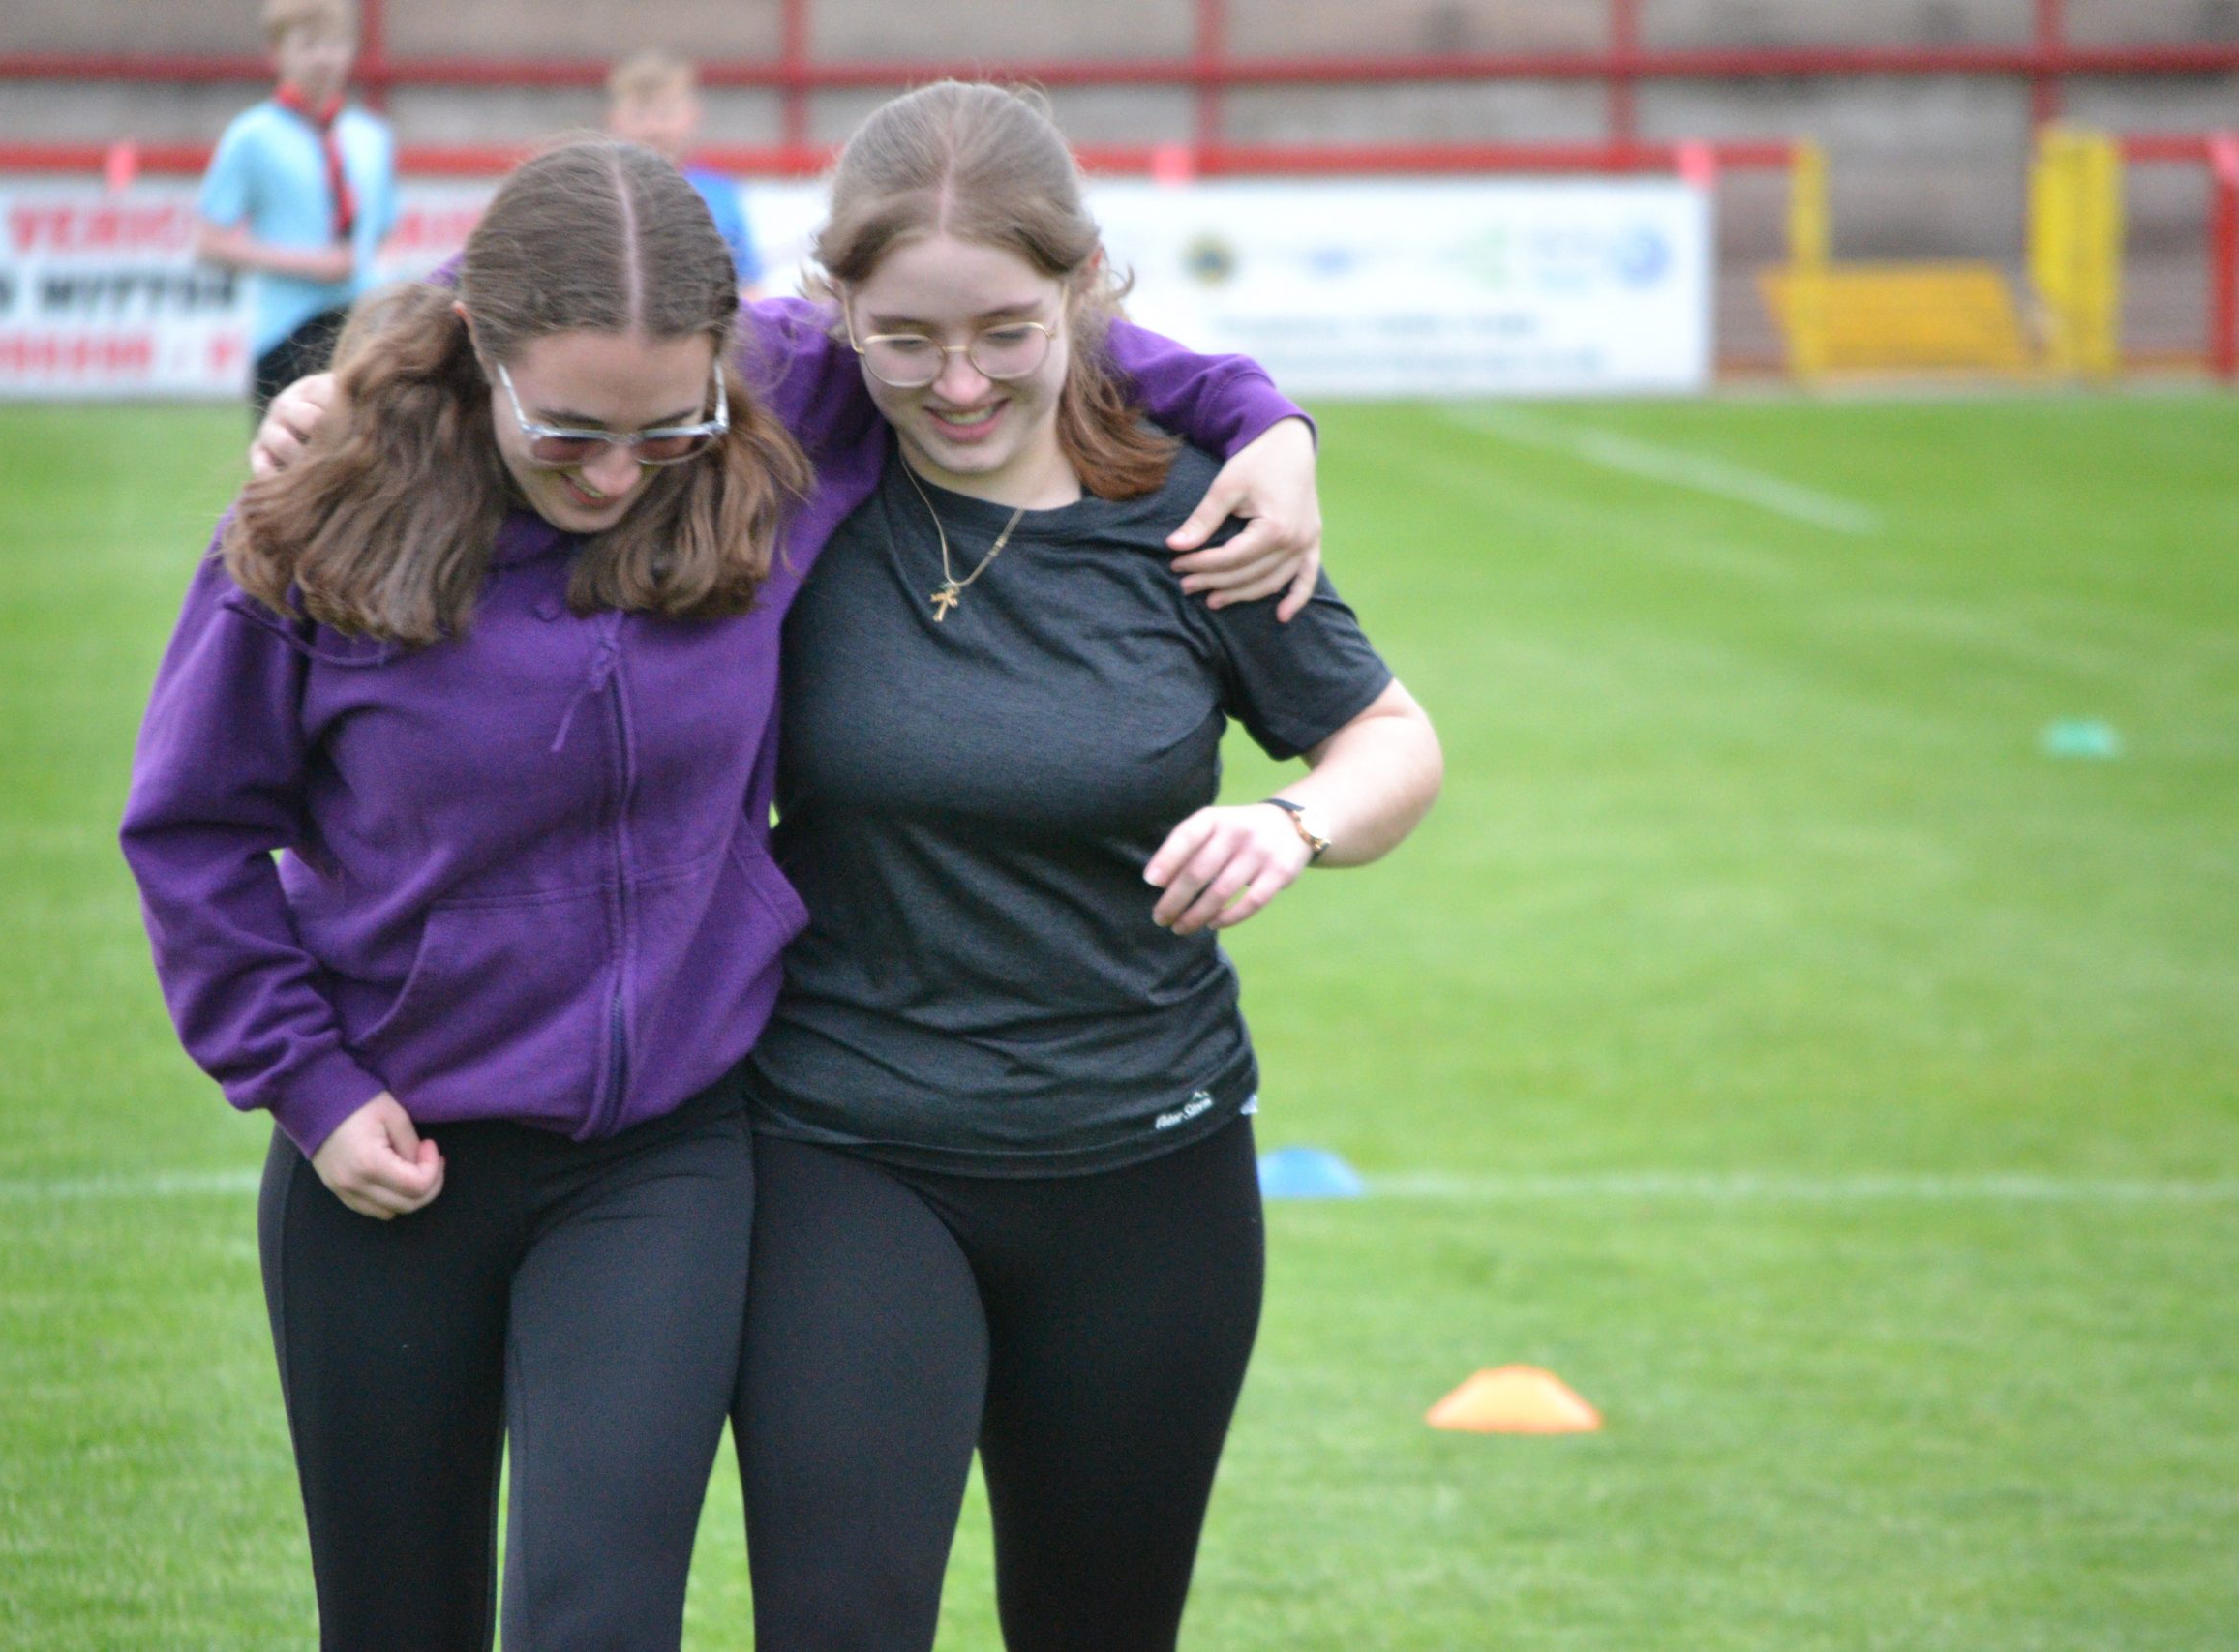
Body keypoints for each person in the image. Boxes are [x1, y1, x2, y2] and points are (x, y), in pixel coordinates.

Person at [151, 134, 1323, 1649]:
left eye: (670, 426)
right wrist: (304, 1080)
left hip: (667, 1152)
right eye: (569, 433)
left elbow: (1013, 322)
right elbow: (191, 828)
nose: (623, 472)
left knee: (599, 1617)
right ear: (484, 363)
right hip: (387, 1147)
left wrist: (1259, 413)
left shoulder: (782, 402)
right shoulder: (318, 516)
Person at [727, 82, 1441, 1652]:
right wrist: (342, 399)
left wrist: (1293, 821)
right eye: (905, 338)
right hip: (847, 1147)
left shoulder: (1200, 510)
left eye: (1004, 329)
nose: (958, 380)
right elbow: (547, 331)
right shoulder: (786, 488)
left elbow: (1394, 742)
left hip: (1148, 1168)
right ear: (834, 304)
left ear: (1085, 288)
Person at [197, 0, 398, 414]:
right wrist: (311, 263)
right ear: (277, 54)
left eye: (335, 44)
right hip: (286, 332)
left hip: (358, 333)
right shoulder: (252, 137)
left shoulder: (370, 138)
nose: (323, 58)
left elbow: (378, 234)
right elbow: (209, 243)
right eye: (308, 45)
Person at [608, 48, 762, 297]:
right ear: (615, 120)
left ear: (692, 116)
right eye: (639, 115)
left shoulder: (720, 195)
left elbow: (750, 287)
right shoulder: (600, 193)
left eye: (665, 114)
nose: (653, 129)